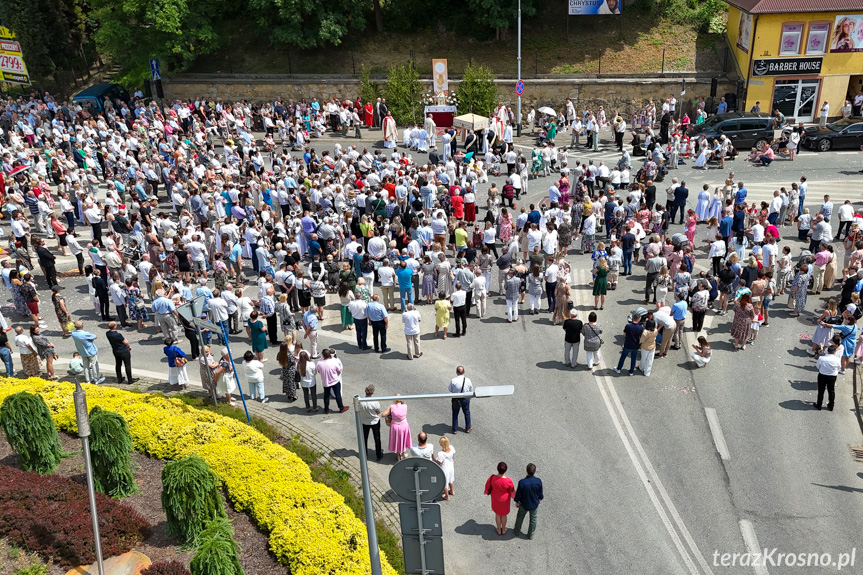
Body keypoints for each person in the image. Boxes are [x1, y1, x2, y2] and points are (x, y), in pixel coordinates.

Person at [513, 463, 543, 540]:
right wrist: (539, 499)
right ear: (535, 471)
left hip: (524, 503)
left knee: (520, 516)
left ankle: (517, 530)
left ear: (526, 471)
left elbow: (518, 493)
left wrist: (517, 501)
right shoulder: (538, 481)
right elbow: (540, 492)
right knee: (533, 519)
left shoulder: (522, 482)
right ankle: (530, 534)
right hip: (534, 504)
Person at [485, 461, 515, 536]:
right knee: (504, 515)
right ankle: (504, 529)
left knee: (498, 514)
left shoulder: (492, 478)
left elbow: (487, 486)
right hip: (505, 500)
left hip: (496, 498)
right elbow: (512, 491)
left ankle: (498, 529)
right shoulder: (508, 480)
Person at [318, 348, 349, 414]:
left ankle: (326, 410)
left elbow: (318, 371)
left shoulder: (319, 363)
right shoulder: (334, 362)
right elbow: (339, 371)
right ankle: (341, 408)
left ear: (323, 355)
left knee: (326, 396)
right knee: (338, 395)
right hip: (335, 381)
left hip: (325, 382)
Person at [814, 344, 841, 411]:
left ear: (828, 351)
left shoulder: (822, 358)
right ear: (834, 352)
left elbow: (817, 366)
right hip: (832, 376)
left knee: (821, 391)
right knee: (831, 391)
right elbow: (839, 368)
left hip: (822, 375)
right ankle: (831, 406)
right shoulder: (837, 360)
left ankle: (819, 405)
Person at [360, 385, 383, 461]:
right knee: (377, 439)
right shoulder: (374, 401)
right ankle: (378, 455)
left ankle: (364, 455)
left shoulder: (361, 401)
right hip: (374, 422)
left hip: (365, 422)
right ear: (372, 392)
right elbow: (378, 411)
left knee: (364, 439)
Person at [449, 365, 473, 433]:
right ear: (464, 372)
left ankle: (454, 429)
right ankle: (468, 428)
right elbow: (471, 389)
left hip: (456, 399)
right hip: (465, 398)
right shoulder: (468, 380)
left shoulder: (453, 380)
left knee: (455, 414)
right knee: (466, 412)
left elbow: (450, 389)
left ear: (456, 372)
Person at [435, 436, 456, 500]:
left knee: (444, 482)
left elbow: (439, 463)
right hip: (451, 465)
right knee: (450, 479)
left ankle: (447, 496)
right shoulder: (451, 448)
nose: (439, 443)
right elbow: (453, 456)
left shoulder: (441, 454)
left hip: (444, 468)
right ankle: (452, 491)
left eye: (440, 442)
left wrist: (433, 458)